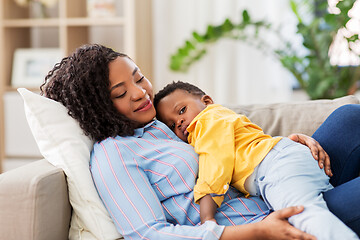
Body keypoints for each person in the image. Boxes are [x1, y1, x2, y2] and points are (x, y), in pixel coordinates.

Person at [40, 44, 360, 240]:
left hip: (272, 184)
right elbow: (149, 233)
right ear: (101, 106)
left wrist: (277, 147)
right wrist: (256, 232)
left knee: (347, 119)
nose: (139, 93)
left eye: (138, 78)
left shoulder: (161, 123)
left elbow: (223, 143)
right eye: (121, 94)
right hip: (272, 222)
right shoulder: (115, 155)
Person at [153, 81, 357, 239]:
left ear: (207, 102)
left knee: (305, 215)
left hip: (275, 168)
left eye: (181, 111)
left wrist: (207, 218)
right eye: (171, 126)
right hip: (281, 164)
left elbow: (214, 164)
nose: (179, 122)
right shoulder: (218, 122)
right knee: (319, 212)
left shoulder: (207, 121)